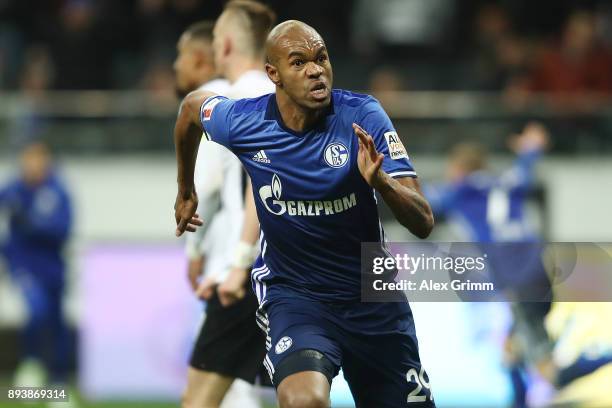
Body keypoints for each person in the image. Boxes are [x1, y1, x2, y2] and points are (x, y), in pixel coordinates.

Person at [174, 19, 435, 408]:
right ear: (273, 74)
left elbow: (423, 222)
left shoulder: (363, 116)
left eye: (322, 58)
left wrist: (382, 184)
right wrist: (185, 189)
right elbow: (191, 109)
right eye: (299, 62)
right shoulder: (246, 121)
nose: (315, 70)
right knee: (304, 400)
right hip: (297, 298)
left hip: (371, 298)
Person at [173, 2, 277, 408]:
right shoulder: (280, 96)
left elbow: (228, 186)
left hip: (249, 272)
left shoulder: (234, 100)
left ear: (227, 44)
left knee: (201, 400)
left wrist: (228, 261)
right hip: (286, 273)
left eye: (215, 39)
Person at [0, 142, 72, 389]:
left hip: (53, 266)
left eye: (39, 160)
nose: (33, 166)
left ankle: (57, 384)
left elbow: (62, 230)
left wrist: (30, 223)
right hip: (24, 264)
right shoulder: (14, 189)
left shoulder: (57, 191)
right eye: (29, 160)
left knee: (56, 322)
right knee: (36, 310)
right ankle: (30, 364)